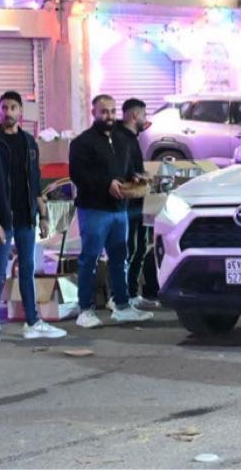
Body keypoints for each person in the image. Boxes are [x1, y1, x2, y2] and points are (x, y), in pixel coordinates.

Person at [0, 91, 66, 343]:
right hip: (3, 219)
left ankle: (32, 322)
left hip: (26, 217)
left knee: (27, 268)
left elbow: (35, 182)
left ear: (21, 111)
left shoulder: (29, 143)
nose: (8, 112)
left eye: (13, 107)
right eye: (4, 107)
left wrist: (43, 215)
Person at [69, 95, 154, 329]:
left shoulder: (121, 140)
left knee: (119, 259)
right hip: (94, 210)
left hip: (119, 210)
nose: (109, 116)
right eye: (104, 111)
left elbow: (127, 169)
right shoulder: (82, 143)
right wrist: (106, 183)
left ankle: (122, 306)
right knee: (90, 259)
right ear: (94, 113)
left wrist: (136, 178)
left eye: (112, 111)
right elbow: (78, 174)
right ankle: (85, 310)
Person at [118, 98, 158, 309]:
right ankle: (121, 296)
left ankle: (133, 293)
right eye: (144, 114)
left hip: (139, 202)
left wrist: (144, 176)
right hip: (128, 203)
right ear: (135, 115)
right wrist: (139, 177)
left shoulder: (133, 138)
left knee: (141, 247)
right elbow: (123, 170)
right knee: (129, 249)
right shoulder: (121, 139)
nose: (145, 119)